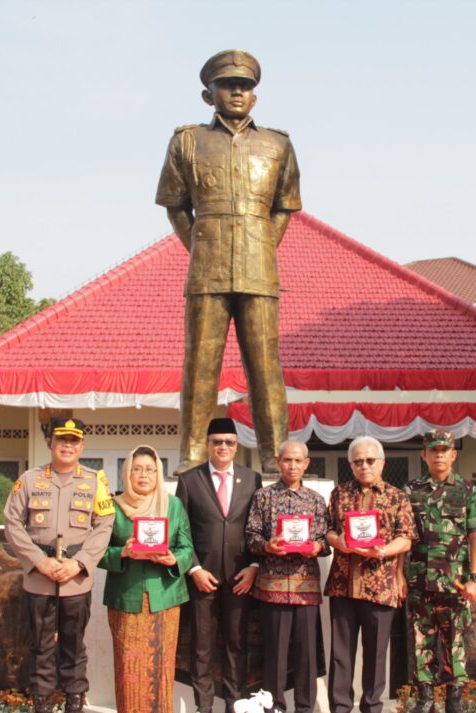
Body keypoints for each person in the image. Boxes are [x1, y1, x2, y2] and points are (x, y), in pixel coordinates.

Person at [157, 50, 301, 474]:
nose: (238, 91)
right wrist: (203, 247)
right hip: (207, 268)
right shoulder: (187, 141)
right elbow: (176, 207)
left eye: (246, 86)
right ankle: (192, 457)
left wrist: (260, 246)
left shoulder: (278, 144)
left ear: (254, 96)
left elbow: (284, 208)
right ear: (209, 94)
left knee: (265, 366)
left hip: (259, 269)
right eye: (228, 84)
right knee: (200, 364)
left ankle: (276, 461)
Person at [3, 417, 114, 713]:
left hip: (75, 579)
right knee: (40, 647)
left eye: (73, 441)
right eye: (61, 439)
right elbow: (12, 522)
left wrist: (79, 563)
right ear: (50, 442)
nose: (67, 446)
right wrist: (38, 561)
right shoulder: (30, 479)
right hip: (39, 577)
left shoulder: (95, 482)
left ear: (81, 445)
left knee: (73, 648)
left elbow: (104, 524)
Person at [323, 436, 417, 713]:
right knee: (341, 651)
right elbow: (327, 530)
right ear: (350, 464)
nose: (364, 466)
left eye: (369, 461)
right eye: (358, 461)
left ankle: (373, 708)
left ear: (382, 462)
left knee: (377, 652)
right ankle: (339, 707)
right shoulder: (339, 494)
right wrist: (338, 541)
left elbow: (407, 537)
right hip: (343, 583)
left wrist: (384, 551)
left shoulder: (397, 497)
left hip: (381, 584)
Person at [99, 445, 195, 713]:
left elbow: (187, 547)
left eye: (150, 469)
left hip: (164, 594)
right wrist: (123, 552)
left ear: (159, 474)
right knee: (129, 659)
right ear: (127, 472)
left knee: (161, 659)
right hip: (126, 595)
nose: (143, 475)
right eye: (137, 469)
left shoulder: (173, 505)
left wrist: (173, 558)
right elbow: (97, 551)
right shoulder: (112, 506)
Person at [174, 417, 262, 713]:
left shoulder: (252, 480)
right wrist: (194, 568)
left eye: (229, 442)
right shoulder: (189, 480)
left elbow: (257, 527)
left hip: (240, 577)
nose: (223, 447)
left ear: (236, 446)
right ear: (207, 445)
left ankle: (235, 708)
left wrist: (254, 567)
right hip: (203, 578)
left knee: (237, 644)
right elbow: (180, 531)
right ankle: (204, 710)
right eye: (217, 442)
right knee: (202, 645)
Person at [244, 440, 329, 713]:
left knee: (306, 652)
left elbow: (325, 539)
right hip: (272, 585)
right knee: (275, 653)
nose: (292, 466)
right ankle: (274, 708)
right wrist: (267, 545)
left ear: (307, 464)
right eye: (287, 460)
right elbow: (251, 536)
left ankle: (304, 709)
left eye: (298, 461)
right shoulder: (263, 497)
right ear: (278, 462)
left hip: (305, 586)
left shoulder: (316, 500)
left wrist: (315, 548)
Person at [404, 429, 476, 713]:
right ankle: (425, 700)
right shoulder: (411, 490)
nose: (439, 455)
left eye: (444, 450)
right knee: (421, 640)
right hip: (420, 580)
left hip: (456, 583)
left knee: (455, 642)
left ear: (453, 455)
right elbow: (404, 537)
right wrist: (401, 576)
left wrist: (475, 578)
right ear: (424, 455)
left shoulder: (467, 491)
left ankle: (454, 700)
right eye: (433, 450)